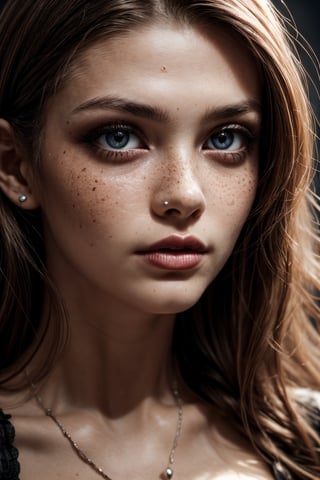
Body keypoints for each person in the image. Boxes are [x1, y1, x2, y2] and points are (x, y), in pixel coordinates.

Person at [0, 0, 319, 479]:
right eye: (120, 137)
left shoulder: (306, 444)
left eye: (226, 139)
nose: (185, 195)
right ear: (15, 164)